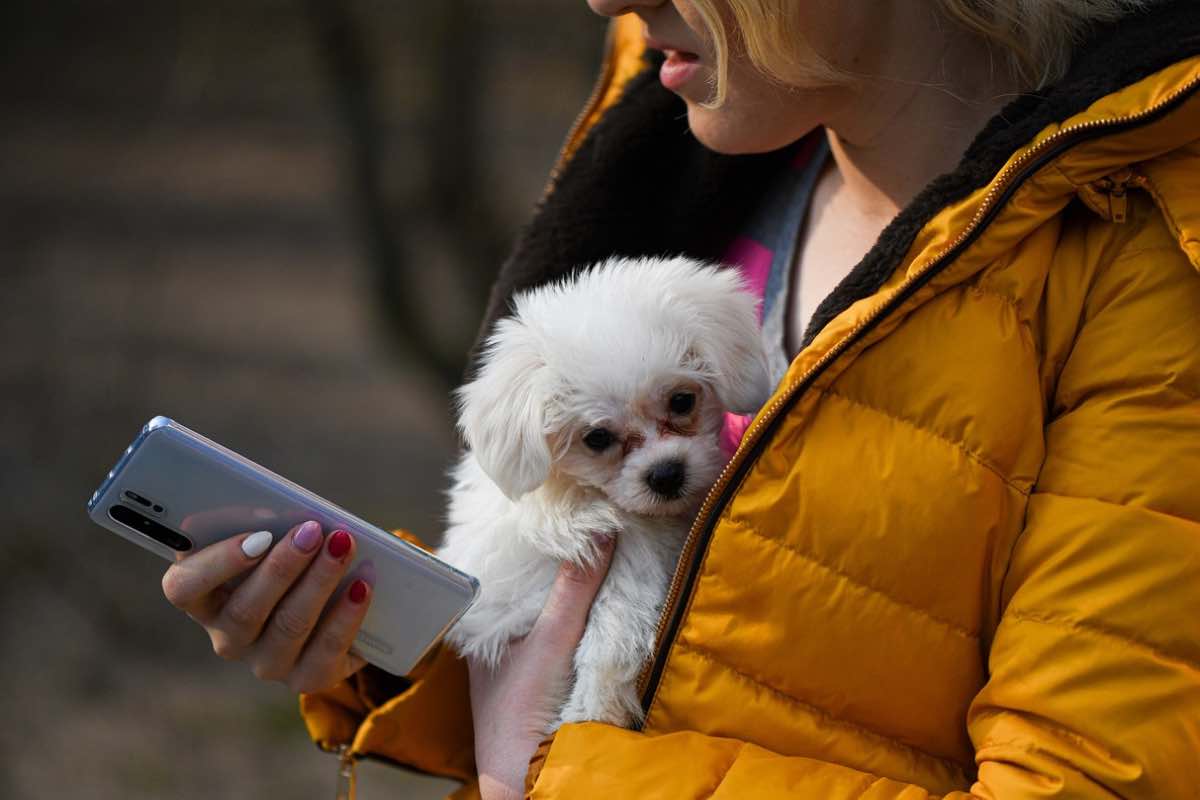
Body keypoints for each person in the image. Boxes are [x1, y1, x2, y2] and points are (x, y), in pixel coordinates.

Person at [161, 1, 1200, 797]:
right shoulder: (687, 176)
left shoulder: (1142, 266)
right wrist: (394, 652)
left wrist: (566, 768)